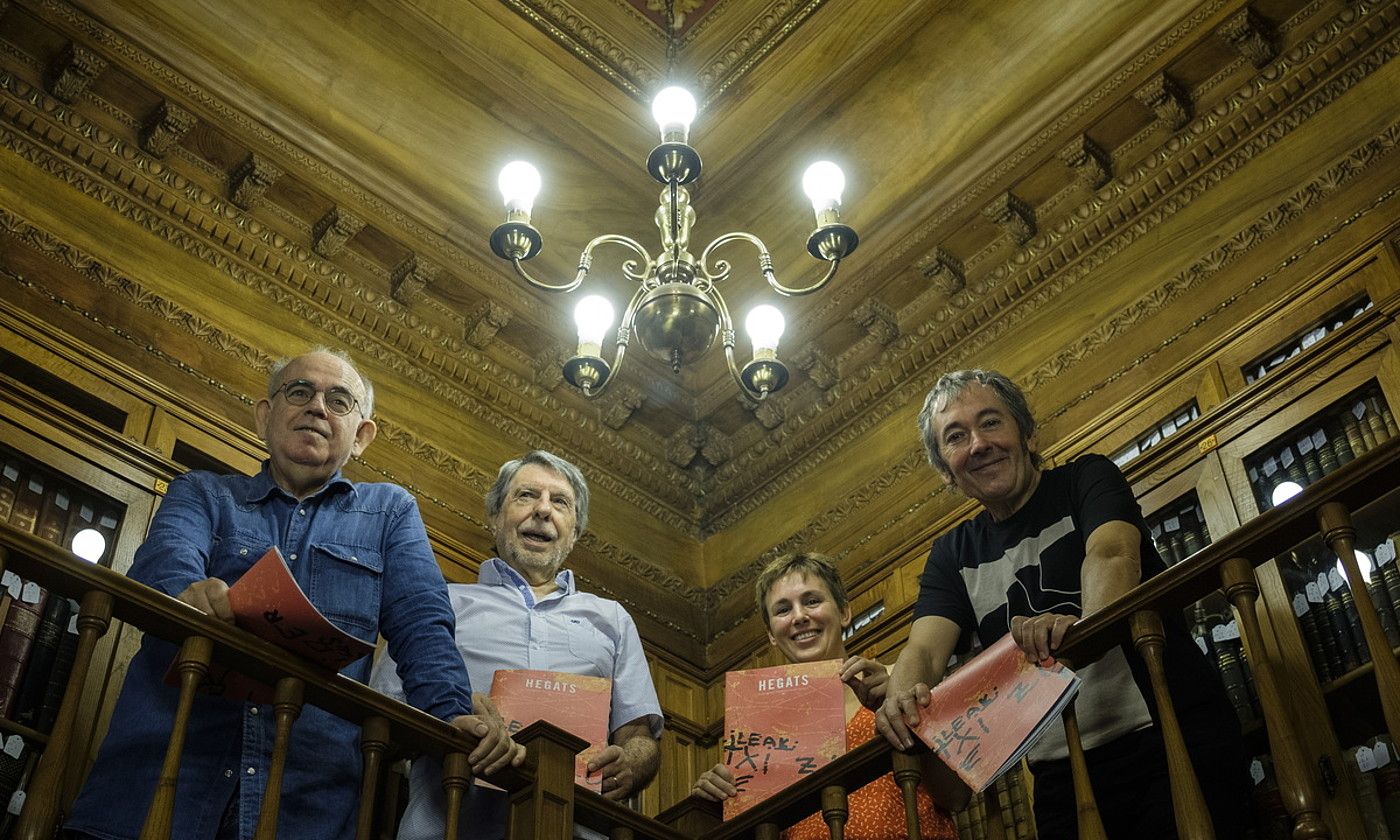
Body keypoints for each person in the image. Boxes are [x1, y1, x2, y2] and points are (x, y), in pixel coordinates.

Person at [66, 349, 513, 840]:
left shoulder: (390, 513)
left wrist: (452, 713)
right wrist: (186, 595)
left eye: (339, 400)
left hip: (305, 803)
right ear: (265, 416)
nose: (317, 407)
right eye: (299, 392)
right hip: (160, 777)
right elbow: (164, 562)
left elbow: (422, 624)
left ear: (362, 436)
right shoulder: (202, 492)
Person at [875, 369, 1250, 838]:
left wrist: (1081, 631)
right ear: (948, 471)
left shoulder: (1085, 478)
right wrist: (901, 699)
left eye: (991, 422)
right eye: (956, 437)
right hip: (1062, 773)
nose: (978, 444)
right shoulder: (952, 553)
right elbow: (925, 651)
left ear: (1027, 432)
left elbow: (1112, 554)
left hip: (1173, 731)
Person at [372, 450, 664, 840]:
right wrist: (449, 714)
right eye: (526, 495)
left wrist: (630, 762)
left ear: (574, 531)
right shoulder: (440, 601)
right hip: (450, 825)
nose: (543, 510)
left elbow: (639, 735)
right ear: (495, 517)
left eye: (560, 502)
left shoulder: (611, 618)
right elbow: (381, 713)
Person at [691, 552, 959, 840]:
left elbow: (956, 796)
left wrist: (906, 717)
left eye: (812, 601)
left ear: (844, 612)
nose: (799, 617)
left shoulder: (898, 678)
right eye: (783, 610)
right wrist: (720, 798)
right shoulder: (761, 729)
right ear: (771, 634)